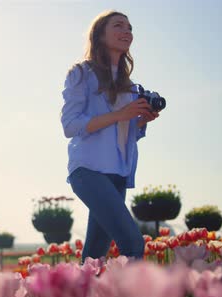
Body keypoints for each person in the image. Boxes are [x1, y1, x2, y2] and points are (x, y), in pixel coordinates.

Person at [60, 10, 161, 262]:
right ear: (100, 34)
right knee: (133, 243)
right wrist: (120, 115)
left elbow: (122, 136)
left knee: (94, 257)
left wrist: (139, 122)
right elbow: (69, 126)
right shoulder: (81, 73)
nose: (127, 32)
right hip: (88, 171)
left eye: (130, 27)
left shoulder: (129, 85)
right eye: (118, 26)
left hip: (118, 175)